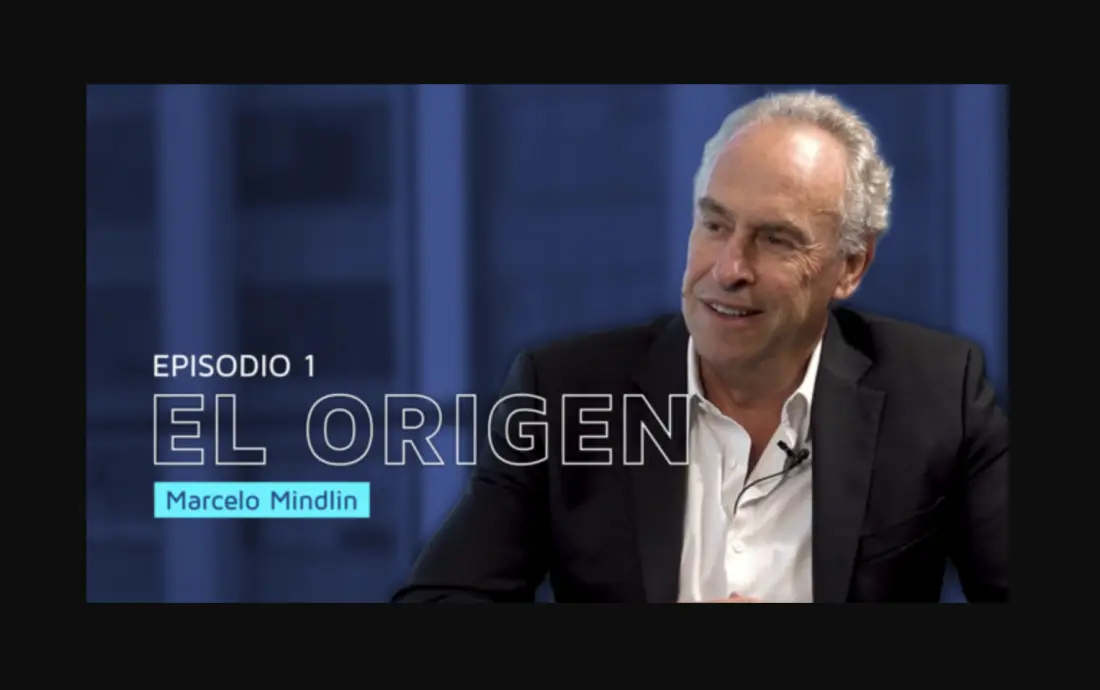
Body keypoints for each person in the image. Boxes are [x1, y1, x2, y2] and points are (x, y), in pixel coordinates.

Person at [392, 90, 1008, 603]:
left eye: (775, 239)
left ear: (850, 266)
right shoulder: (563, 395)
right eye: (715, 224)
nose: (729, 268)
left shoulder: (938, 393)